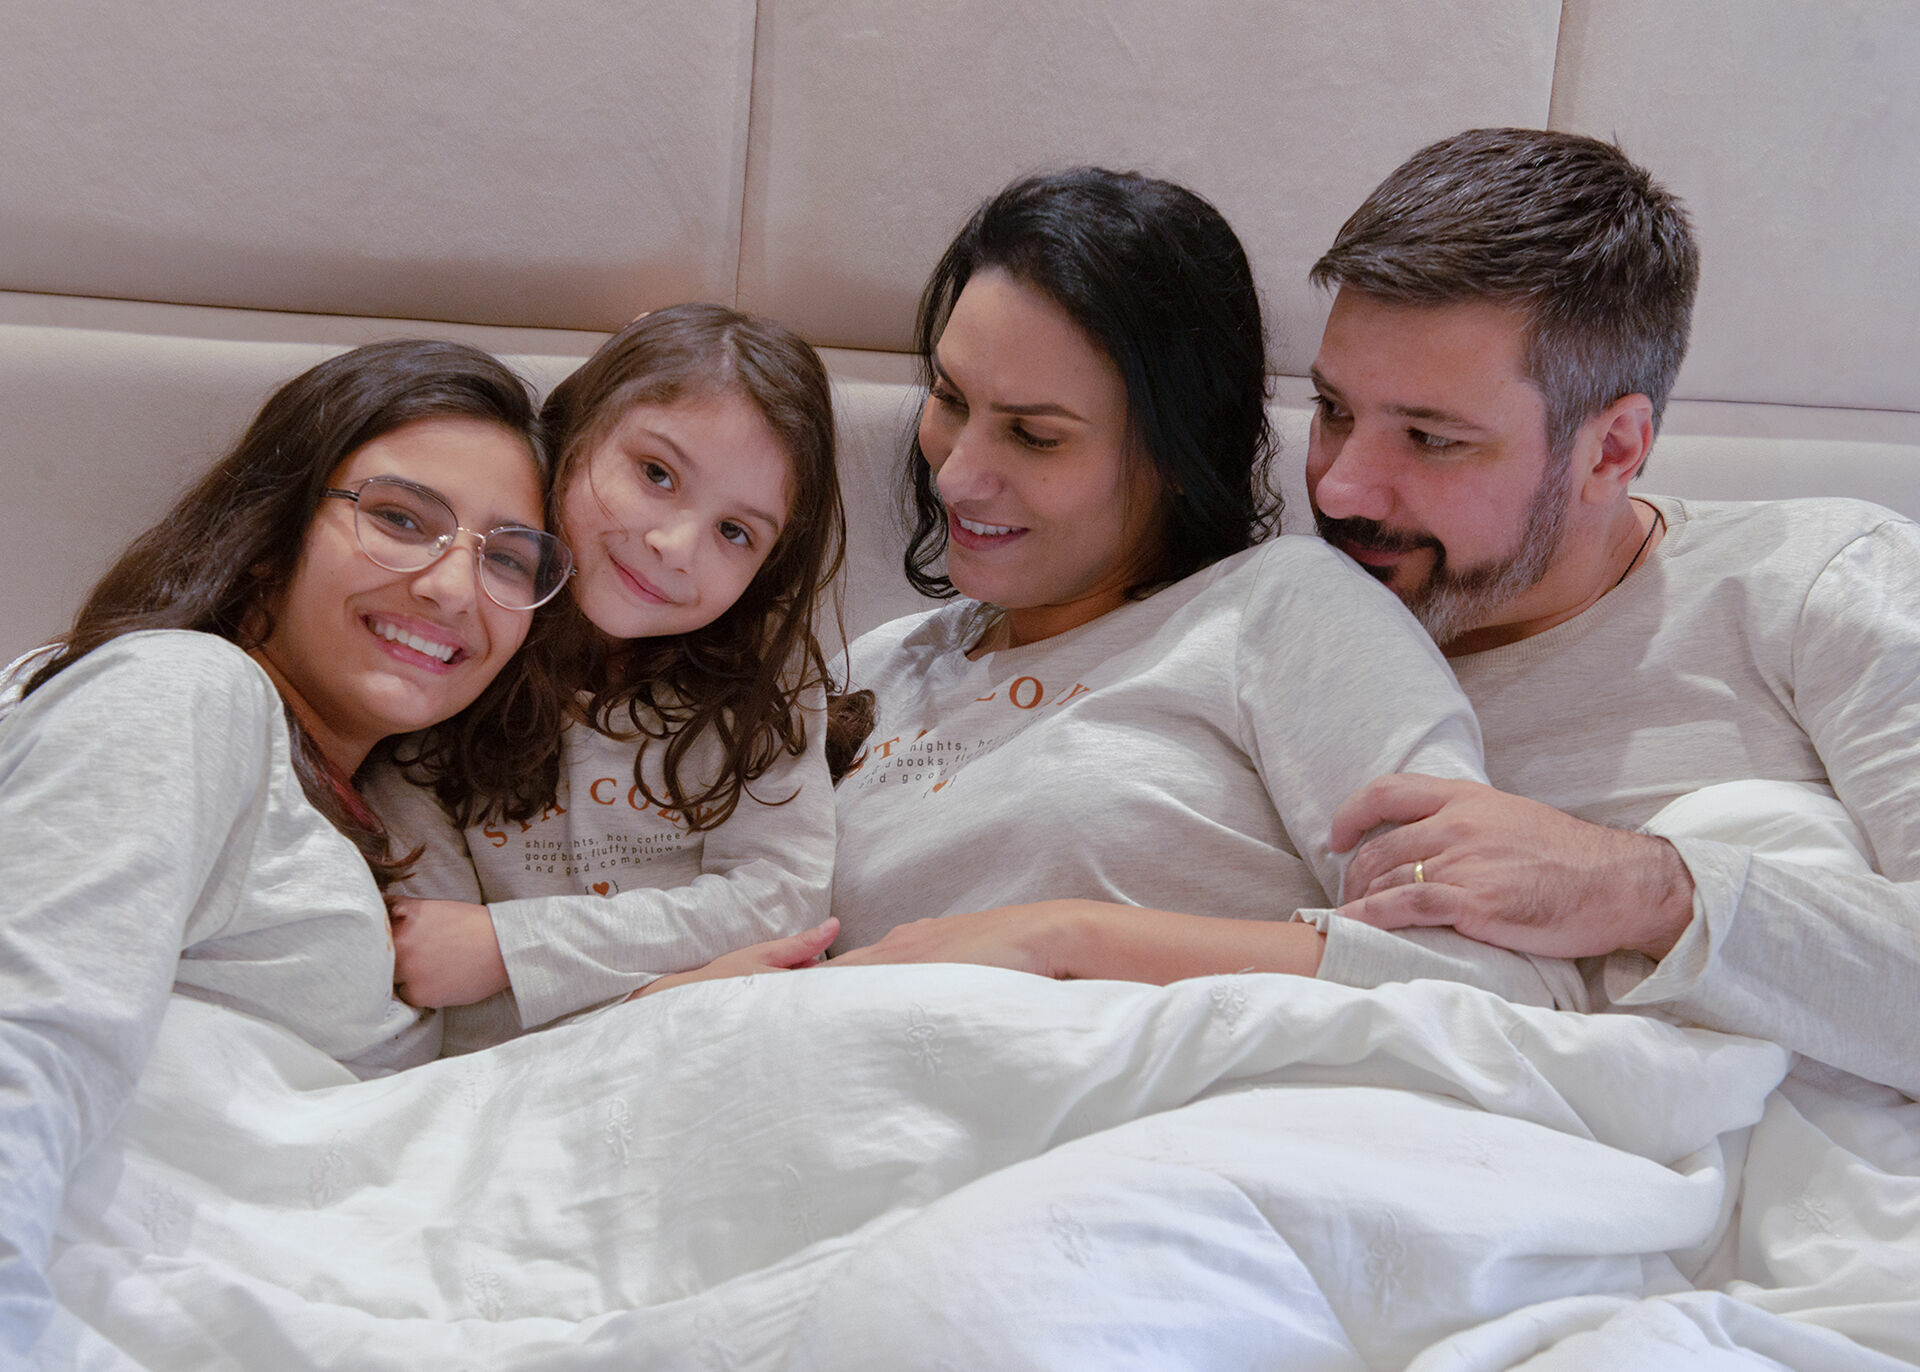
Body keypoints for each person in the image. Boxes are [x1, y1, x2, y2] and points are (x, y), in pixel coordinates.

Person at [826, 167, 1558, 997]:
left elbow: (1492, 973)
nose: (956, 476)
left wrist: (1066, 939)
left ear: (1179, 451)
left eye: (1034, 436)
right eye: (951, 400)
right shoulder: (875, 667)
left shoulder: (1281, 611)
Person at [1301, 127, 1920, 1095]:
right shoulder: (1285, 640)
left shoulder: (1819, 584)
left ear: (1614, 450)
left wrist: (1640, 891)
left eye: (1429, 438)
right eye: (1333, 410)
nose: (1340, 487)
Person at [0, 338, 567, 1351]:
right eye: (401, 519)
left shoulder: (403, 824)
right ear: (271, 532)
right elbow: (30, 1031)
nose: (454, 587)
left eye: (507, 558)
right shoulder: (185, 690)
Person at [369, 305, 844, 1051]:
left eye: (735, 532)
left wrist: (509, 949)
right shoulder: (454, 636)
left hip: (724, 1047)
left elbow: (782, 905)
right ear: (576, 432)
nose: (675, 546)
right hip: (518, 1085)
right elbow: (433, 975)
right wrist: (676, 981)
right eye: (656, 473)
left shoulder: (765, 675)